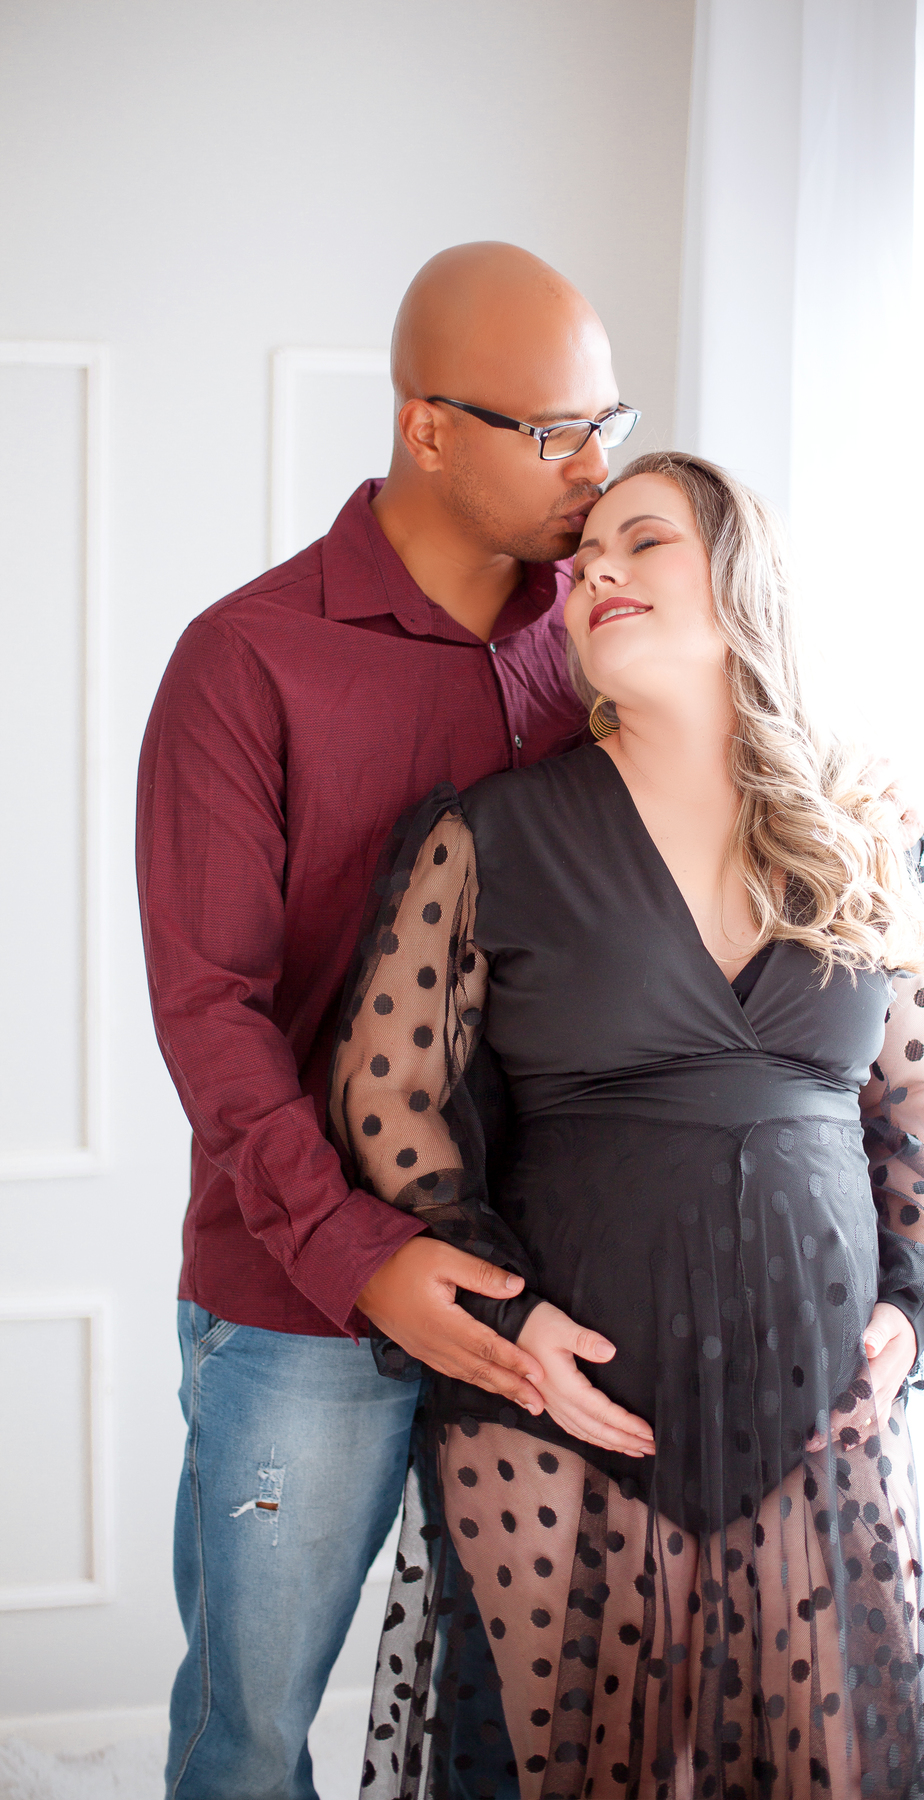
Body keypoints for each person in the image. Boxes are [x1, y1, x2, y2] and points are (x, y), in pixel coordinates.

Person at [330, 452, 924, 1800]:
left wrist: (912, 1306)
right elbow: (390, 1095)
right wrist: (508, 1324)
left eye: (645, 541)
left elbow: (923, 1103)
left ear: (744, 582)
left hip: (815, 1412)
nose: (598, 574)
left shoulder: (869, 837)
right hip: (557, 1412)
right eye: (587, 561)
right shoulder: (494, 834)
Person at [136, 241, 647, 1800]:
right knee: (248, 1740)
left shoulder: (612, 643)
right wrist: (364, 1256)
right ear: (426, 427)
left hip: (559, 1294)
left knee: (523, 1744)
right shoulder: (247, 660)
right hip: (300, 1307)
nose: (596, 468)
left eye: (608, 423)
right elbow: (210, 1011)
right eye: (553, 432)